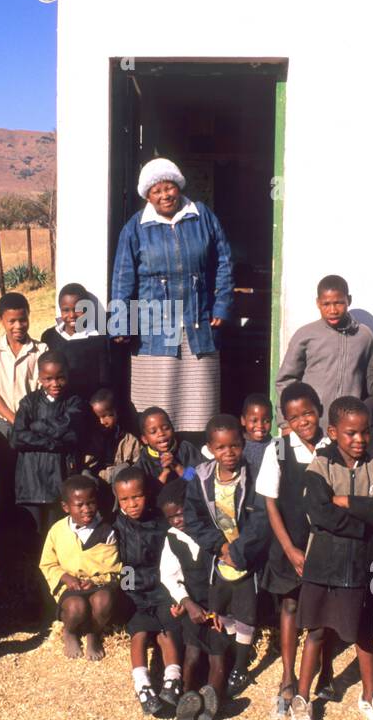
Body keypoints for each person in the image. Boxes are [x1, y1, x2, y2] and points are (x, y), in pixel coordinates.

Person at [294, 395, 373, 720]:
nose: (359, 440)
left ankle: (370, 696)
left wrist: (348, 502)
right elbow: (319, 513)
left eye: (365, 433)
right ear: (334, 432)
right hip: (325, 563)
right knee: (317, 632)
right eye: (351, 433)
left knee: (364, 632)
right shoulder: (320, 466)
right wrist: (364, 523)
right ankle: (302, 697)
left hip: (364, 566)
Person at [110, 158, 234, 433]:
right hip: (154, 330)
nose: (165, 195)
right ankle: (157, 468)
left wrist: (221, 306)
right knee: (156, 410)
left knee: (200, 410)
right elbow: (123, 275)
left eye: (169, 187)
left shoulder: (202, 216)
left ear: (178, 186)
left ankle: (194, 467)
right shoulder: (135, 227)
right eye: (156, 191)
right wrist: (120, 322)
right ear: (148, 196)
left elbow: (224, 262)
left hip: (198, 324)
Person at [180, 414, 271, 720]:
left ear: (243, 445)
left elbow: (261, 518)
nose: (229, 453)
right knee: (221, 611)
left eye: (235, 446)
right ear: (210, 449)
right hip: (217, 558)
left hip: (247, 558)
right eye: (221, 447)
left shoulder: (255, 475)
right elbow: (193, 517)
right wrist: (219, 547)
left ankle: (241, 667)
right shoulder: (200, 476)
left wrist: (239, 550)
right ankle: (227, 654)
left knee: (246, 612)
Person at [256, 382, 332, 716]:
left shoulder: (333, 446)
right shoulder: (279, 449)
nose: (303, 421)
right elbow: (270, 503)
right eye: (294, 417)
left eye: (308, 413)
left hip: (328, 545)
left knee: (320, 613)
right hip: (291, 543)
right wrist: (289, 549)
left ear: (319, 409)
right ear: (284, 420)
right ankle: (287, 678)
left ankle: (318, 673)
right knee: (289, 606)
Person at [0, 292, 47, 600]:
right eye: (12, 321)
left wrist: (27, 421)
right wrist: (12, 418)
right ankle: (1, 552)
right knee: (6, 487)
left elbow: (41, 388)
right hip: (3, 426)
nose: (18, 326)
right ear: (1, 321)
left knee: (30, 485)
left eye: (23, 319)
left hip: (32, 425)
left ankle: (30, 551)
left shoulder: (40, 350)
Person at [112, 466, 183, 716]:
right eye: (125, 499)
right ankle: (143, 686)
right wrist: (129, 593)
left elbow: (173, 559)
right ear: (118, 500)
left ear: (147, 494)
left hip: (162, 585)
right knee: (140, 633)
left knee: (166, 631)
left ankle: (172, 681)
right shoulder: (117, 525)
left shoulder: (161, 521)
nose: (132, 504)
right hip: (134, 590)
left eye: (137, 496)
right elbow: (120, 564)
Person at [38, 475, 122, 660]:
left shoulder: (106, 531)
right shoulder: (57, 531)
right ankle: (70, 632)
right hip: (70, 588)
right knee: (76, 607)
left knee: (103, 602)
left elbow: (115, 568)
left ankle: (94, 633)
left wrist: (94, 582)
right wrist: (66, 578)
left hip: (98, 585)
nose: (86, 510)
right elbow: (47, 563)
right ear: (66, 507)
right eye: (79, 505)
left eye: (91, 503)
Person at [274, 275, 373, 428]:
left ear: (349, 300)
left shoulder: (364, 336)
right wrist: (285, 424)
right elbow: (285, 381)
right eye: (326, 304)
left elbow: (370, 382)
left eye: (339, 303)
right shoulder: (306, 335)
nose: (332, 310)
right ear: (317, 303)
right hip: (313, 426)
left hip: (349, 429)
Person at [12, 350, 88, 537]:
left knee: (59, 530)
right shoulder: (29, 403)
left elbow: (70, 431)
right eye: (48, 379)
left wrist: (37, 426)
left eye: (60, 378)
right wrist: (53, 444)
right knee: (34, 533)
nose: (55, 384)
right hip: (31, 477)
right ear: (39, 378)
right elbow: (17, 438)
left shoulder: (74, 402)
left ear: (67, 376)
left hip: (60, 475)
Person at [158, 478, 213, 720]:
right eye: (172, 518)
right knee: (192, 650)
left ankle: (213, 695)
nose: (178, 521)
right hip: (192, 605)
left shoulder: (211, 530)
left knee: (216, 652)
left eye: (182, 513)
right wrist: (187, 602)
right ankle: (187, 697)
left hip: (217, 603)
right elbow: (169, 576)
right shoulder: (172, 539)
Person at [40, 283, 112, 404]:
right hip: (57, 406)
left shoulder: (98, 339)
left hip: (87, 405)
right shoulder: (49, 337)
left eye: (79, 310)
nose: (72, 315)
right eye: (66, 310)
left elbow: (104, 380)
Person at [84, 387, 141, 486]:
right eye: (97, 418)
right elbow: (87, 464)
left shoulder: (129, 440)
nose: (102, 422)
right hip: (97, 481)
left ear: (116, 413)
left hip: (121, 482)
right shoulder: (91, 439)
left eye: (107, 416)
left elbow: (138, 463)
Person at [136, 406, 203, 490]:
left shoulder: (185, 448)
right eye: (153, 432)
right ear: (145, 439)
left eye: (166, 428)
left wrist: (176, 466)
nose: (161, 433)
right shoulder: (144, 460)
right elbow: (148, 494)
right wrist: (165, 472)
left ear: (173, 428)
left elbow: (198, 481)